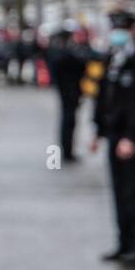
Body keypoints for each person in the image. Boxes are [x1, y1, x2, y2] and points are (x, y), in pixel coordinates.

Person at [92, 10, 135, 265]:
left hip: (132, 136)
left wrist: (130, 137)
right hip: (113, 133)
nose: (116, 33)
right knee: (118, 189)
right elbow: (103, 96)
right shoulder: (112, 58)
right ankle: (124, 242)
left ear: (133, 30)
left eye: (122, 29)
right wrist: (98, 130)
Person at [47, 22, 88, 164]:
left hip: (68, 90)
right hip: (68, 90)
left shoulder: (59, 51)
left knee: (68, 121)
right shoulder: (63, 53)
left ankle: (68, 150)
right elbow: (80, 65)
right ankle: (67, 152)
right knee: (68, 121)